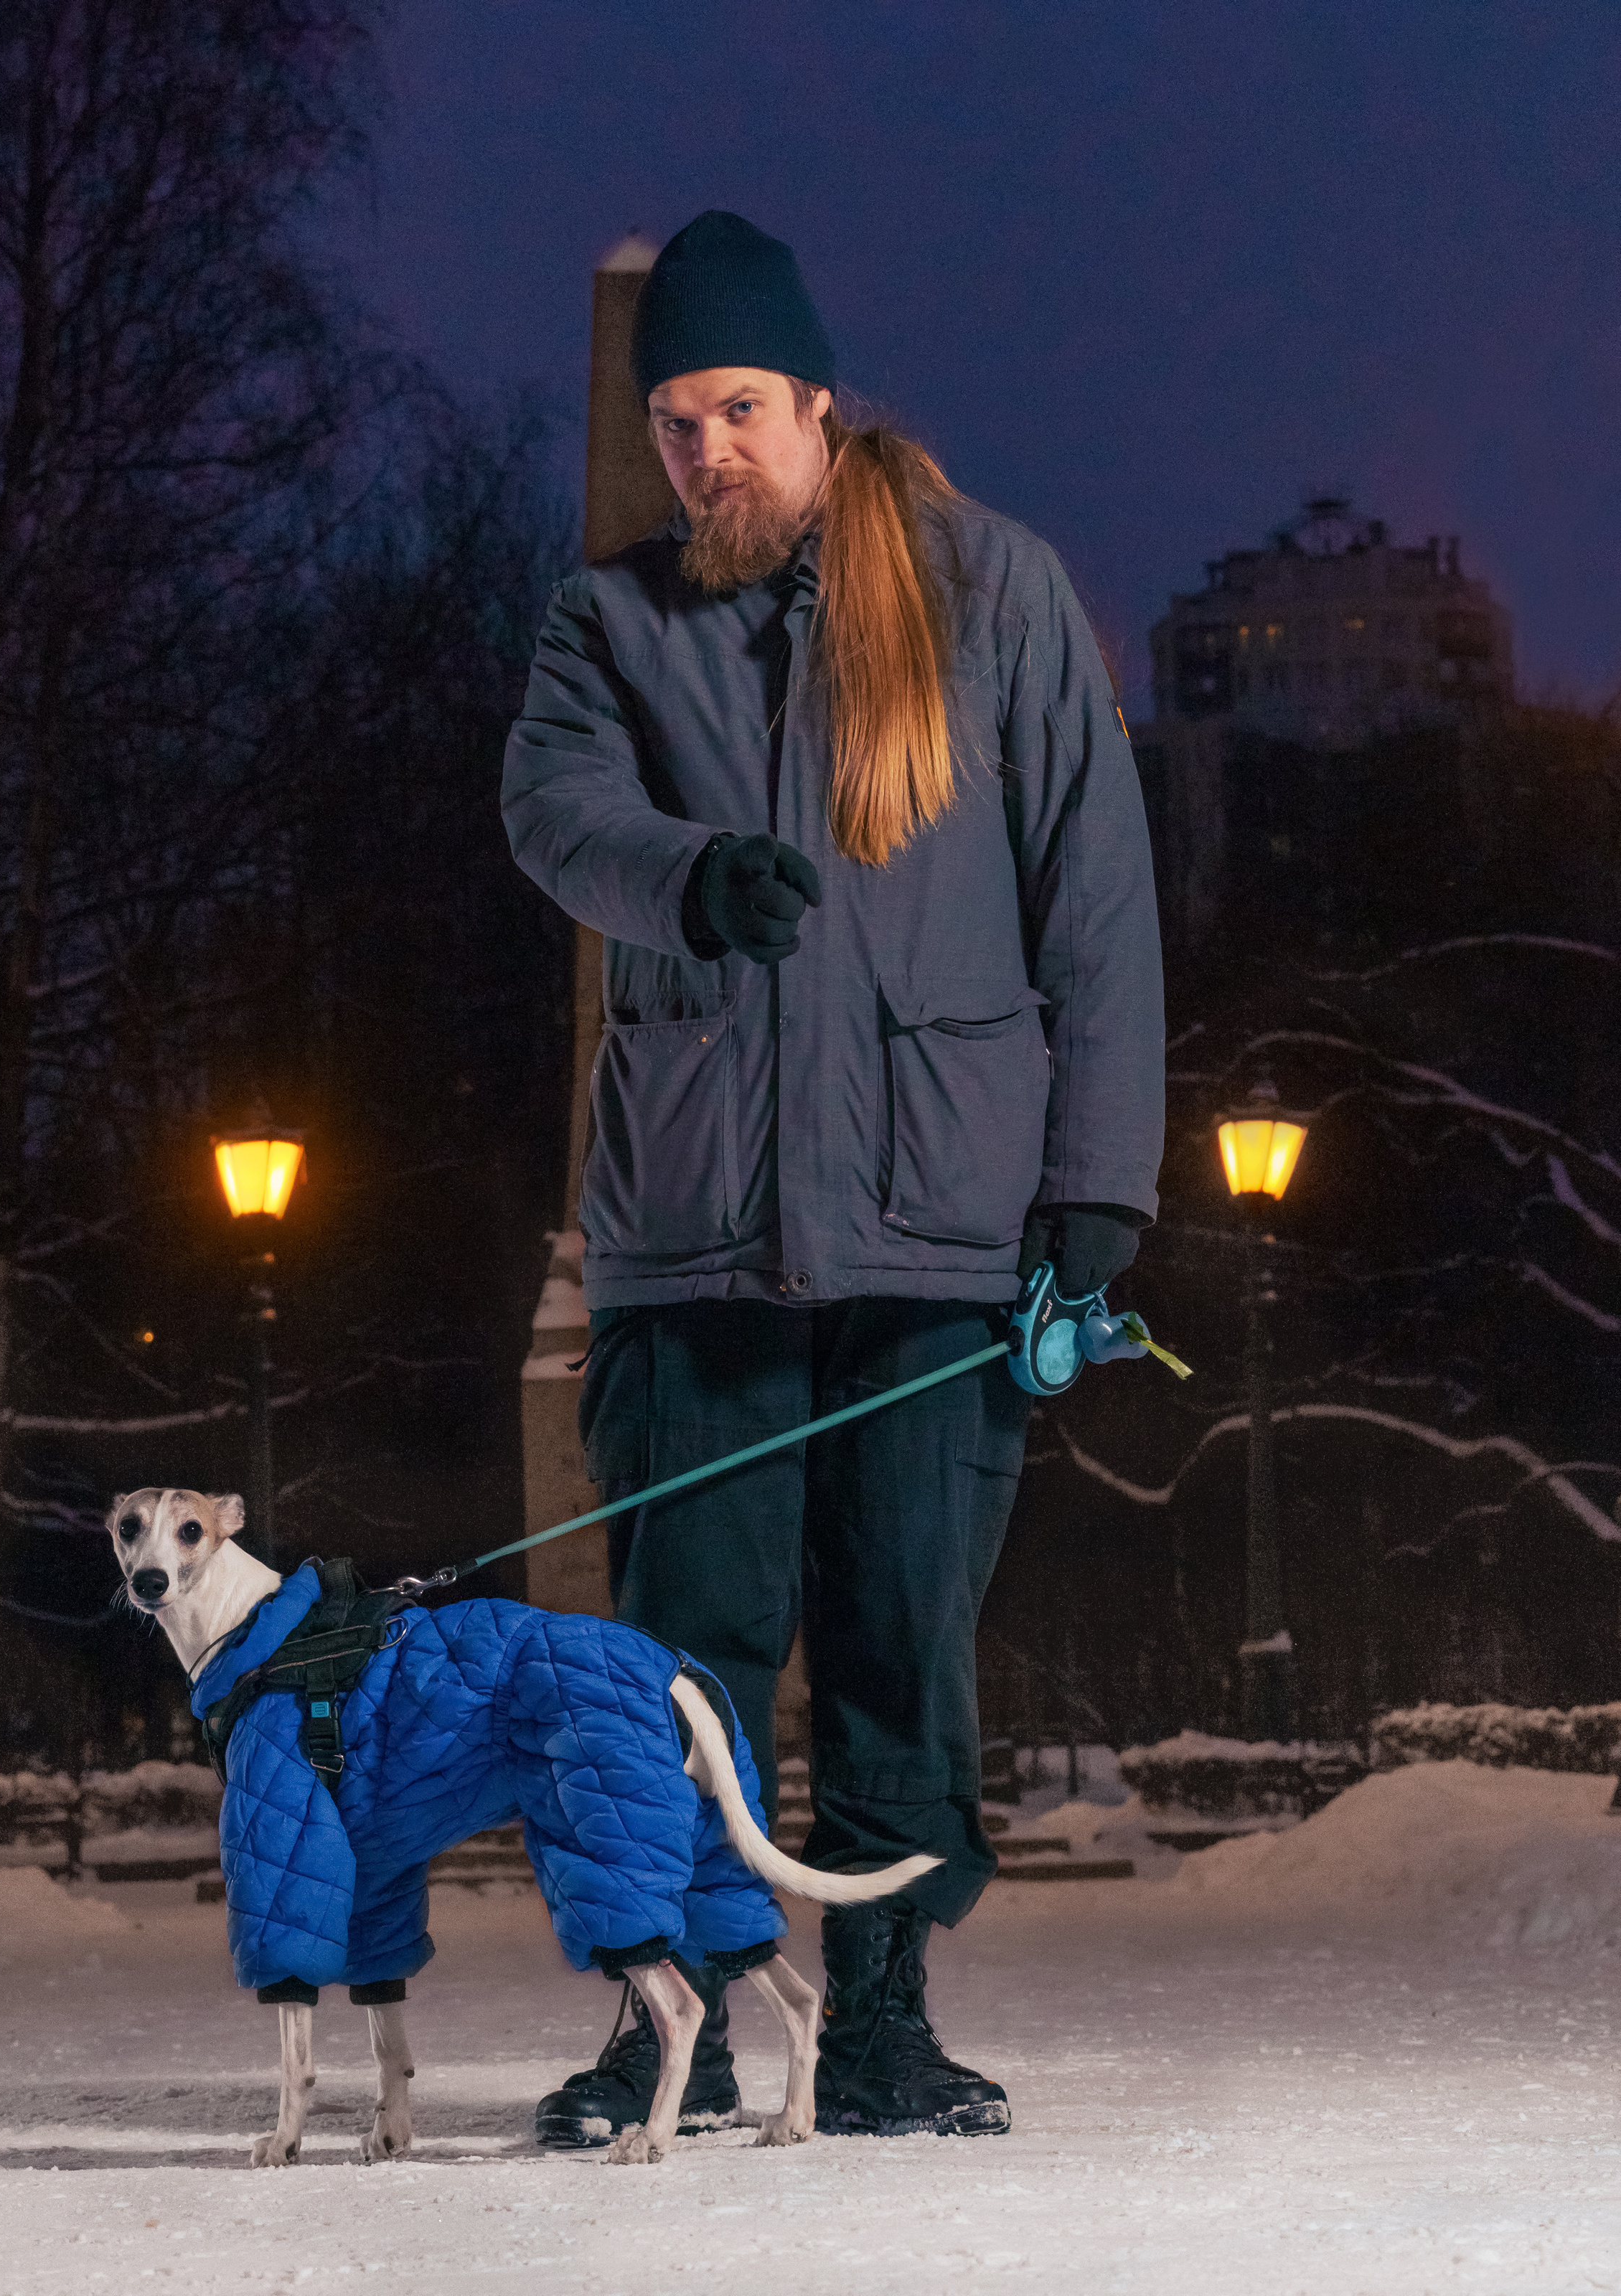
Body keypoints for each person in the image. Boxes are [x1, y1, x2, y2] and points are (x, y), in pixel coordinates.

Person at [501, 210, 1164, 2142]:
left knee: (899, 1643)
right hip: (692, 1242)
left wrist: (1095, 1198)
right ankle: (671, 2034)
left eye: (736, 412)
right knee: (679, 1676)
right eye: (676, 422)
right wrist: (689, 878)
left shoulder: (996, 596)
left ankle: (880, 2027)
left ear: (814, 402)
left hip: (937, 1238)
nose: (706, 452)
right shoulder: (611, 624)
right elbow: (555, 816)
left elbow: (1098, 911)